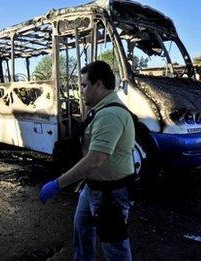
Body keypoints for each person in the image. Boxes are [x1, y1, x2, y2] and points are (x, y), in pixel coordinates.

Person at [39, 61, 136, 260]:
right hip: (92, 187)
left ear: (98, 84)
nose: (81, 91)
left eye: (84, 85)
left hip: (111, 194)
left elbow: (95, 160)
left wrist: (58, 184)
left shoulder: (110, 115)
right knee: (82, 231)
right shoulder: (101, 109)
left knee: (115, 249)